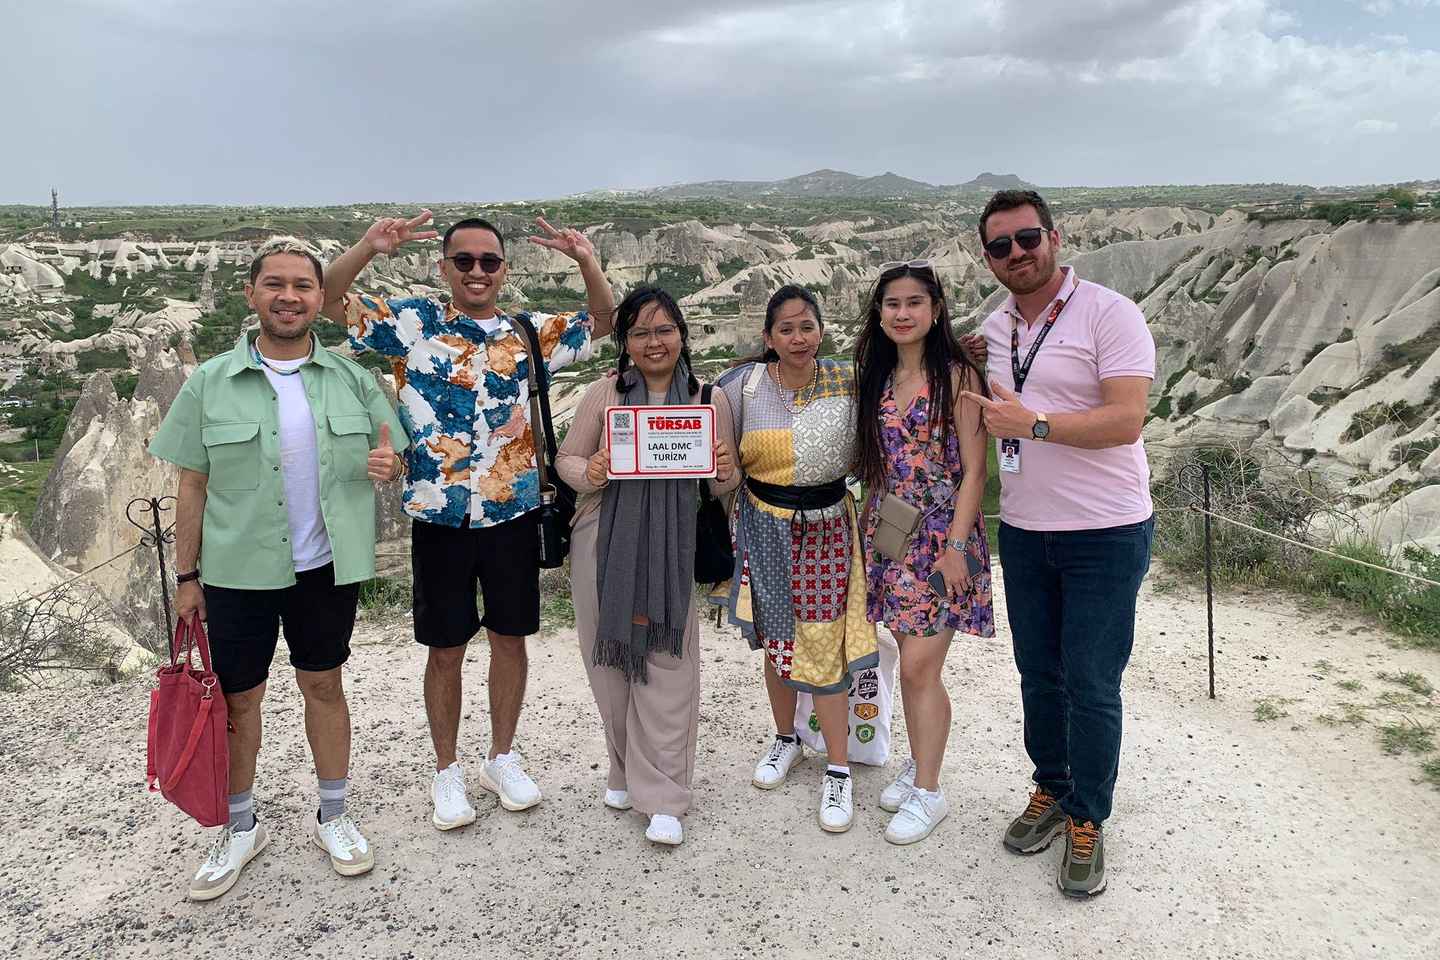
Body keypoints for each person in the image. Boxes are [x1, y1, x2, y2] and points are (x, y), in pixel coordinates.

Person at [320, 211, 615, 828]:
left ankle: (501, 757)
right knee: (446, 647)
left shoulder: (528, 333)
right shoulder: (414, 325)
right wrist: (368, 246)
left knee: (510, 638)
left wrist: (586, 259)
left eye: (489, 261)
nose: (477, 271)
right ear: (444, 267)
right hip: (441, 517)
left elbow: (604, 320)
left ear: (504, 270)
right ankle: (446, 769)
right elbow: (328, 300)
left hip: (512, 513)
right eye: (464, 261)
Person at [149, 237, 409, 901]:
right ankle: (240, 827)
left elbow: (392, 453)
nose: (289, 297)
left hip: (325, 567)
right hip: (237, 571)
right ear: (252, 294)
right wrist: (186, 578)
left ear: (320, 298)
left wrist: (390, 466)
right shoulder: (210, 382)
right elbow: (191, 486)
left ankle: (334, 815)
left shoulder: (352, 378)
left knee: (325, 684)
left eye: (302, 285)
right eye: (275, 284)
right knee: (240, 700)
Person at [963, 189, 1155, 898]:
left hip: (1105, 531)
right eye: (1000, 245)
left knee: (1092, 683)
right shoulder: (994, 329)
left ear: (1054, 236)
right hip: (1024, 530)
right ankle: (1051, 786)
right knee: (1038, 675)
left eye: (1027, 238)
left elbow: (1127, 419)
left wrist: (1035, 424)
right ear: (988, 258)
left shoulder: (1110, 313)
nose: (1016, 253)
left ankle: (1087, 817)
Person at [555, 286, 738, 845]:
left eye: (664, 330)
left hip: (674, 544)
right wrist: (591, 471)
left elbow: (726, 483)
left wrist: (724, 470)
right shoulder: (604, 392)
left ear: (681, 335)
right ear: (625, 341)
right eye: (640, 332)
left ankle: (663, 795)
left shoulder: (708, 398)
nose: (653, 342)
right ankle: (623, 769)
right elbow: (566, 459)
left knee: (668, 661)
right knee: (608, 658)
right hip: (602, 537)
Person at [713, 285, 877, 833]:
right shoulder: (740, 387)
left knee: (824, 644)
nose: (798, 338)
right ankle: (786, 738)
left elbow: (907, 376)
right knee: (776, 637)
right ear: (769, 337)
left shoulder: (849, 380)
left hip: (828, 526)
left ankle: (838, 767)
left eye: (807, 326)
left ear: (821, 330)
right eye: (786, 329)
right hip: (763, 523)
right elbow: (719, 459)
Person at [852, 260, 995, 845]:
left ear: (935, 310)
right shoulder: (878, 377)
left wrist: (956, 548)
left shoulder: (957, 377)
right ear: (879, 313)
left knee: (918, 668)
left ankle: (931, 792)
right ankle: (919, 764)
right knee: (911, 662)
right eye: (893, 303)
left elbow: (976, 471)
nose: (903, 313)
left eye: (915, 302)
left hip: (941, 542)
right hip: (890, 535)